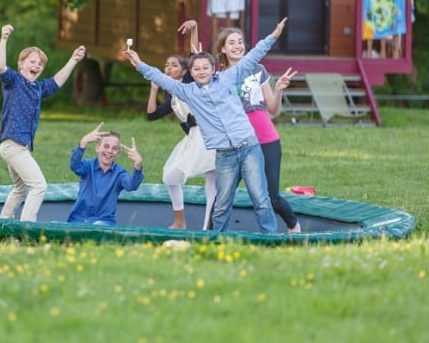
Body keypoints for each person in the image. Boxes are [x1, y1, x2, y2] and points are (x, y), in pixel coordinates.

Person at [123, 18, 288, 234]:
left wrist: (273, 36)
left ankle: (270, 237)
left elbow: (253, 56)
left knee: (260, 196)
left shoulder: (228, 78)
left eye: (205, 68)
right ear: (191, 73)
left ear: (213, 69)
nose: (201, 72)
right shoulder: (188, 92)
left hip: (249, 146)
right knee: (222, 202)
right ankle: (218, 240)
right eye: (196, 69)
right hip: (225, 154)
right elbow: (160, 78)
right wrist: (138, 63)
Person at [0, 24, 86, 222]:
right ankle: (27, 227)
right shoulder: (14, 81)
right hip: (13, 145)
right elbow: (1, 67)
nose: (36, 66)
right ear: (21, 64)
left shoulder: (37, 88)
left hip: (16, 146)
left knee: (20, 189)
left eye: (40, 64)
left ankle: (1, 225)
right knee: (39, 186)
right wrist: (4, 39)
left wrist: (73, 60)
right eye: (32, 62)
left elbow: (57, 81)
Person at [216, 27, 302, 233]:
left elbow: (272, 109)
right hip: (236, 143)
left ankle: (293, 226)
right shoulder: (219, 77)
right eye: (231, 43)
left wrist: (278, 89)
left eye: (240, 41)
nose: (237, 46)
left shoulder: (258, 70)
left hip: (266, 140)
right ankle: (212, 236)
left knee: (271, 197)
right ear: (223, 49)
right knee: (222, 198)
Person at [145, 20, 216, 229]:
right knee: (170, 176)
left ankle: (208, 227)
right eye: (166, 65)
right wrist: (154, 89)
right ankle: (180, 221)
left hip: (207, 135)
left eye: (174, 65)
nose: (168, 68)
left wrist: (194, 28)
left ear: (186, 71)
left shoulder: (190, 84)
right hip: (191, 138)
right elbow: (151, 115)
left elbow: (195, 56)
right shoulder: (174, 97)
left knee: (212, 181)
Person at [67, 122, 144, 226]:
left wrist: (138, 165)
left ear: (118, 153)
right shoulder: (88, 166)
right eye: (106, 146)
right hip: (78, 219)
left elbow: (132, 185)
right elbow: (74, 165)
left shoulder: (119, 173)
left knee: (98, 226)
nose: (110, 151)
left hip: (105, 222)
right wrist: (83, 143)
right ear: (97, 148)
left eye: (114, 148)